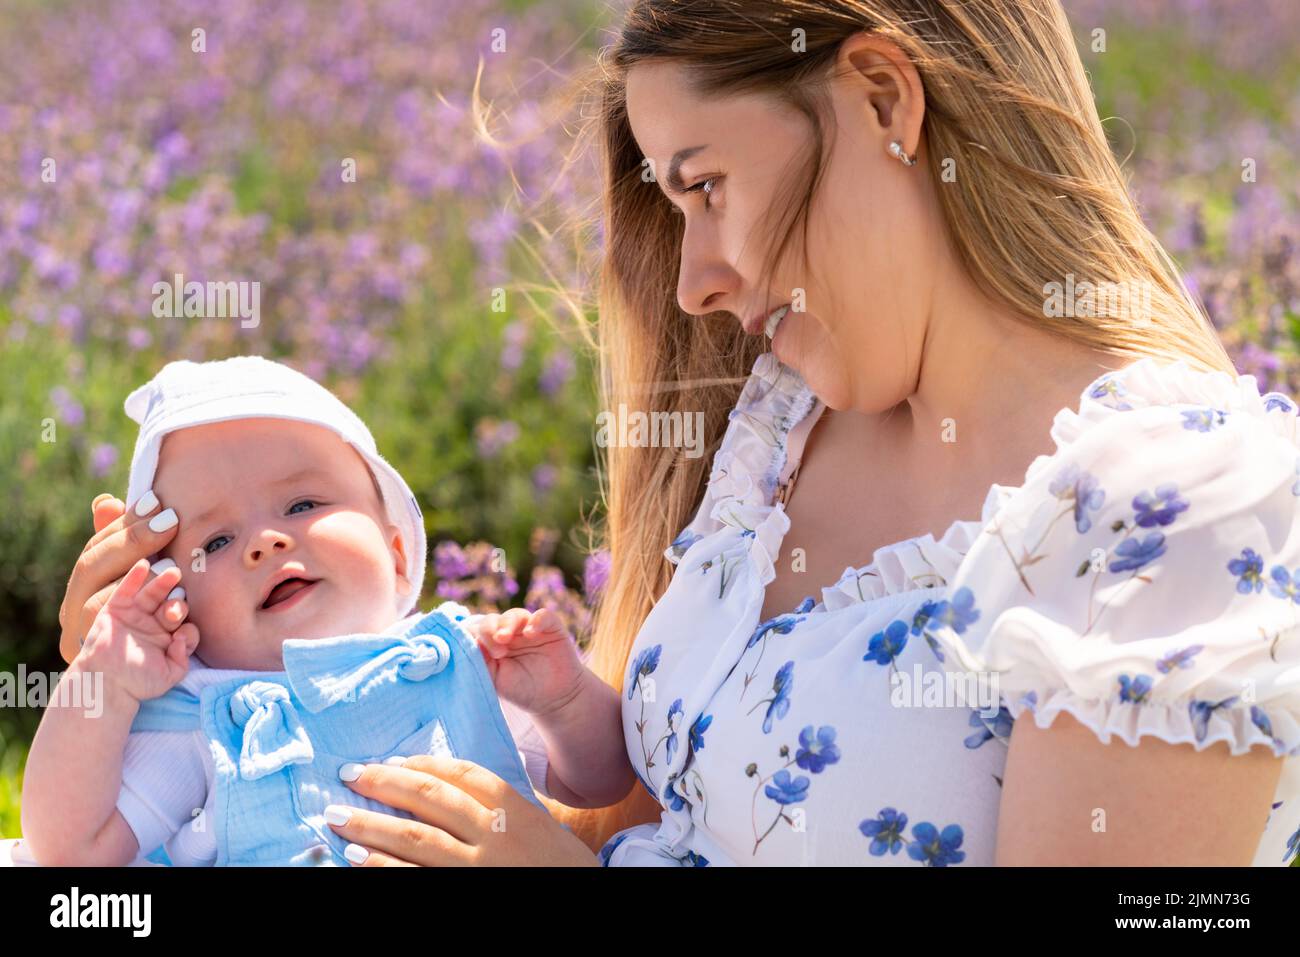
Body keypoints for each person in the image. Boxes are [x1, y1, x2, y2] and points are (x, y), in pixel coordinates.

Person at [52, 0, 1300, 866]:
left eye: (704, 186)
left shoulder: (1174, 507)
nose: (695, 279)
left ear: (882, 98)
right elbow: (664, 805)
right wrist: (158, 686)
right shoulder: (781, 424)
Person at [21, 356, 622, 866]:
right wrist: (103, 680)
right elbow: (69, 851)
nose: (264, 542)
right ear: (181, 610)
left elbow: (600, 783)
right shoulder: (210, 722)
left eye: (302, 502)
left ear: (395, 554)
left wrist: (564, 702)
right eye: (218, 543)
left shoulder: (456, 662)